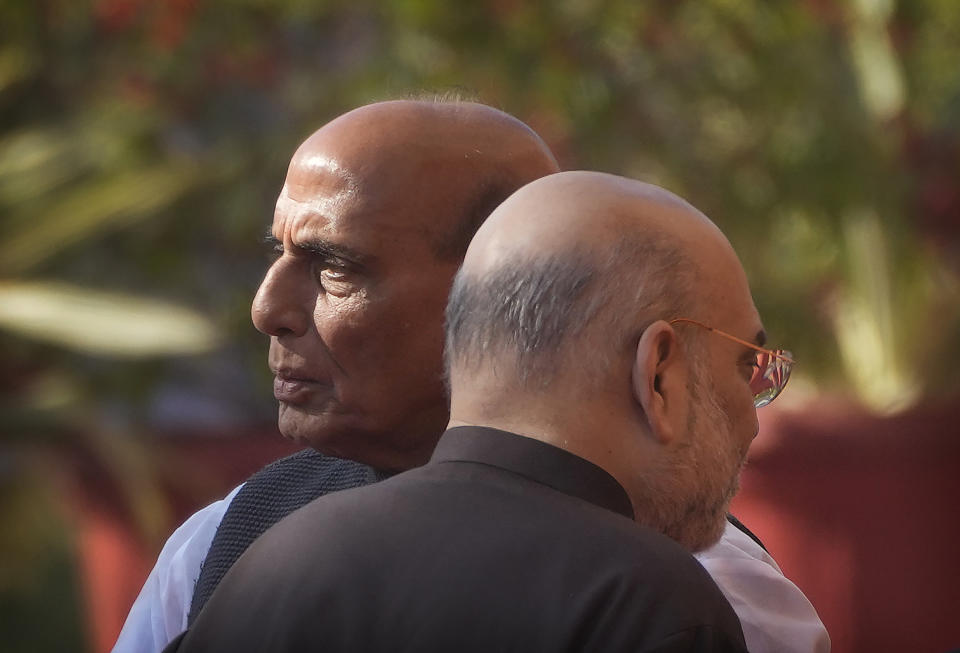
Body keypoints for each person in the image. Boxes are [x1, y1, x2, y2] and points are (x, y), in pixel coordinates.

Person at [113, 100, 829, 653]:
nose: (267, 308)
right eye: (279, 255)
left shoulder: (719, 588)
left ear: (492, 284)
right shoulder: (226, 541)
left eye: (332, 264)